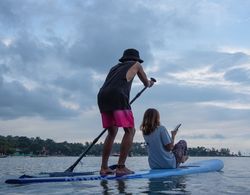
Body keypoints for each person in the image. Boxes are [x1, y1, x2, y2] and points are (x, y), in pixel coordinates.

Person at [97, 48, 154, 176]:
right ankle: (121, 167)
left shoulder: (114, 68)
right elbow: (146, 83)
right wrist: (150, 83)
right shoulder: (137, 65)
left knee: (112, 132)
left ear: (124, 59)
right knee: (130, 130)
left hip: (102, 96)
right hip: (118, 95)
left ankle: (104, 168)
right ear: (136, 59)